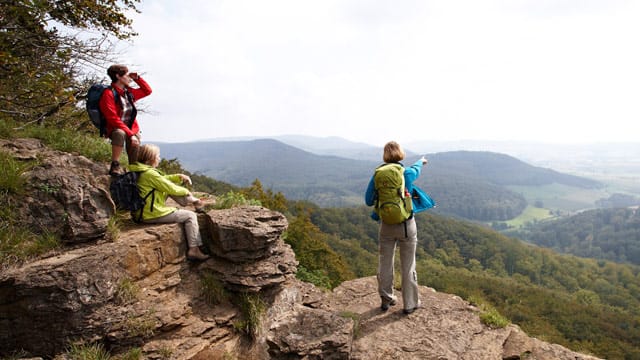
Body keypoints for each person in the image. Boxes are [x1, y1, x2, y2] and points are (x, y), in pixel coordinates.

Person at [365, 141, 435, 315]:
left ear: (385, 156)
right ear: (400, 154)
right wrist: (422, 161)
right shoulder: (407, 172)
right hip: (406, 225)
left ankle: (386, 300)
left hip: (386, 226)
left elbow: (368, 200)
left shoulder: (378, 174)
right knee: (408, 265)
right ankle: (410, 304)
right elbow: (416, 168)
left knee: (385, 264)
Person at [129, 144, 210, 261]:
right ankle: (194, 250)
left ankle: (194, 202)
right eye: (157, 156)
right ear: (150, 159)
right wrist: (187, 192)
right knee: (190, 216)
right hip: (151, 214)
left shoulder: (140, 170)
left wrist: (178, 176)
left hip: (142, 211)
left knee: (168, 190)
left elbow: (163, 180)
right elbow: (170, 188)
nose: (159, 158)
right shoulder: (150, 174)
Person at [100, 64, 153, 175]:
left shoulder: (128, 93)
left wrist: (138, 79)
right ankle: (115, 164)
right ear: (118, 76)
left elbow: (147, 91)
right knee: (120, 133)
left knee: (136, 138)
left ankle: (134, 170)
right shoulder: (108, 94)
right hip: (115, 127)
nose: (129, 78)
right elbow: (112, 118)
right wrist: (130, 134)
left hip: (130, 128)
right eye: (126, 75)